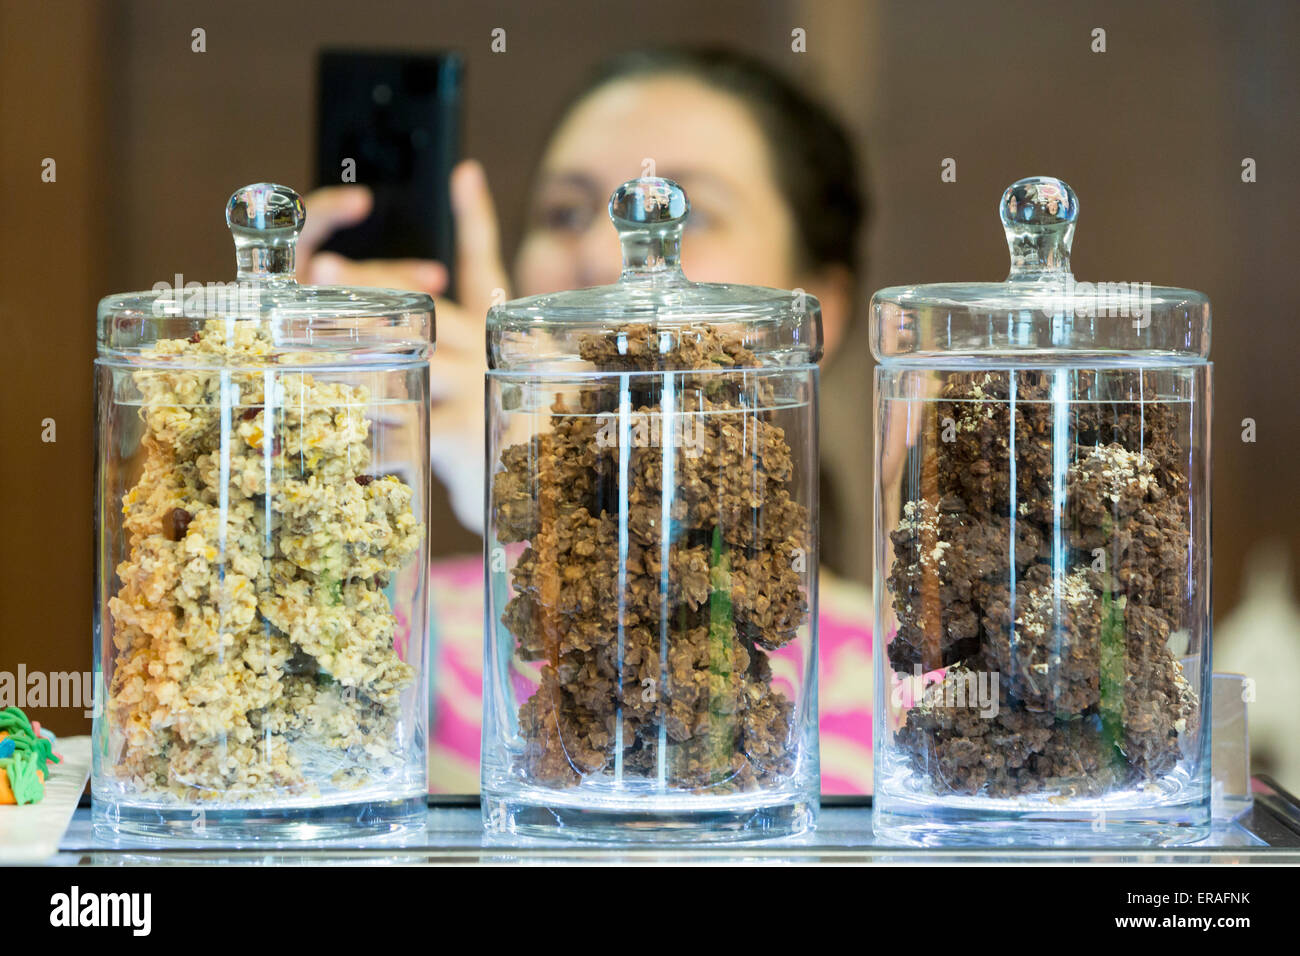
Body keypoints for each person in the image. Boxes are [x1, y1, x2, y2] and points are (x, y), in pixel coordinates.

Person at [295, 48, 875, 793]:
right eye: (567, 214)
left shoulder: (935, 664)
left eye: (685, 208)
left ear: (819, 304)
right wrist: (314, 469)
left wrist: (541, 492)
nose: (608, 252)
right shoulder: (402, 629)